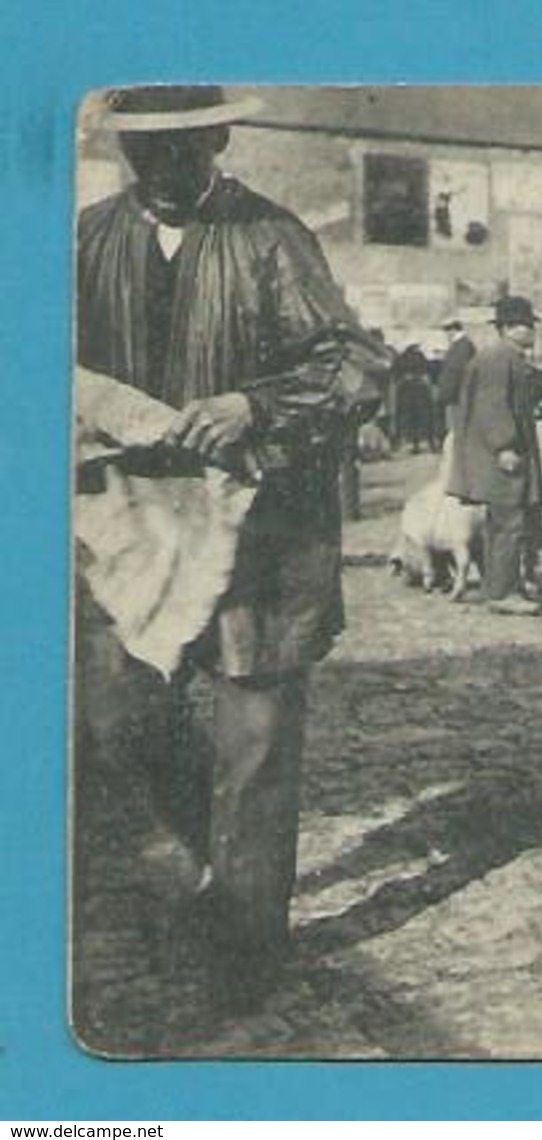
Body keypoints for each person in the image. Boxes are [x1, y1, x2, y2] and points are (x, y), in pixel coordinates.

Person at [75, 86, 387, 1008]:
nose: (164, 174)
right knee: (115, 718)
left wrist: (252, 405)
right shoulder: (88, 238)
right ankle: (219, 856)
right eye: (145, 155)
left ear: (216, 139)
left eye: (182, 152)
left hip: (264, 534)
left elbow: (352, 364)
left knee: (254, 744)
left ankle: (246, 945)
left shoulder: (271, 238)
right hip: (135, 528)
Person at [446, 296, 542, 615]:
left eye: (530, 325)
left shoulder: (502, 358)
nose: (531, 331)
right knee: (509, 523)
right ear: (505, 329)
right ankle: (503, 592)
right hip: (501, 459)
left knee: (503, 523)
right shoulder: (499, 360)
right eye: (523, 325)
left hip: (498, 456)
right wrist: (504, 446)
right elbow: (493, 408)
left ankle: (501, 585)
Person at [436, 317, 475, 447]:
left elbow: (457, 371)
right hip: (455, 394)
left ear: (453, 330)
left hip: (457, 395)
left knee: (456, 429)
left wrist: (447, 393)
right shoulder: (460, 345)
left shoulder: (461, 346)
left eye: (448, 331)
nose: (447, 334)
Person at [391, 343, 436, 453]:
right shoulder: (420, 357)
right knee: (424, 417)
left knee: (407, 417)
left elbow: (394, 373)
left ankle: (406, 443)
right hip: (420, 391)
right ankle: (429, 443)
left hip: (406, 391)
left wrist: (403, 378)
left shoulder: (401, 358)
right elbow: (430, 370)